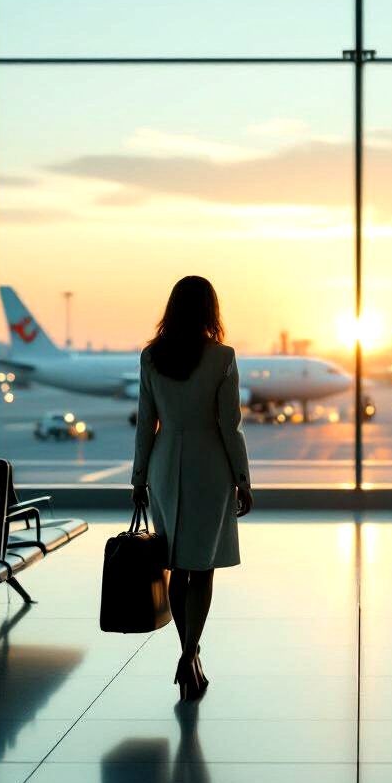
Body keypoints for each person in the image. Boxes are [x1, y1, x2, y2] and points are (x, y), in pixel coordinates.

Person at [131, 276, 253, 700]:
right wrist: (242, 479)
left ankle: (188, 654)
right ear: (209, 311)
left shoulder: (151, 358)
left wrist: (139, 476)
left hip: (165, 464)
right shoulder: (222, 357)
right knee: (201, 567)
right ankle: (190, 655)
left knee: (177, 567)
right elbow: (229, 426)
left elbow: (147, 422)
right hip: (209, 467)